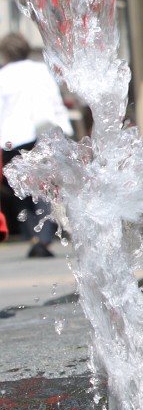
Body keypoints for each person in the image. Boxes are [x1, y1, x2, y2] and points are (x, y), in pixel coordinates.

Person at [0, 33, 73, 257]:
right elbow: (55, 102)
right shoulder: (41, 71)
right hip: (40, 136)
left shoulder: (2, 76)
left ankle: (33, 234)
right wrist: (65, 129)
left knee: (19, 189)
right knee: (43, 187)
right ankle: (43, 238)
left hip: (11, 140)